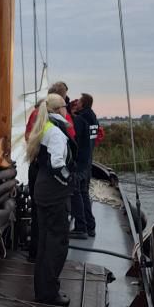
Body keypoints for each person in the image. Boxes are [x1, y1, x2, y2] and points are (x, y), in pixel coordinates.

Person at [26, 93, 75, 306]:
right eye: (65, 106)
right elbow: (57, 164)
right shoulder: (56, 132)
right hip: (54, 194)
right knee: (57, 243)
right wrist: (69, 179)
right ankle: (48, 292)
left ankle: (43, 289)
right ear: (57, 110)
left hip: (43, 191)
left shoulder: (44, 128)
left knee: (46, 241)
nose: (67, 109)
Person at [69, 94, 97, 239]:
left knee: (76, 193)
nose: (77, 103)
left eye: (79, 101)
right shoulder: (93, 118)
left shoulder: (81, 119)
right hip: (88, 162)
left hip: (79, 162)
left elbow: (75, 139)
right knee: (84, 193)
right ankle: (90, 226)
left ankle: (81, 227)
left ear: (83, 103)